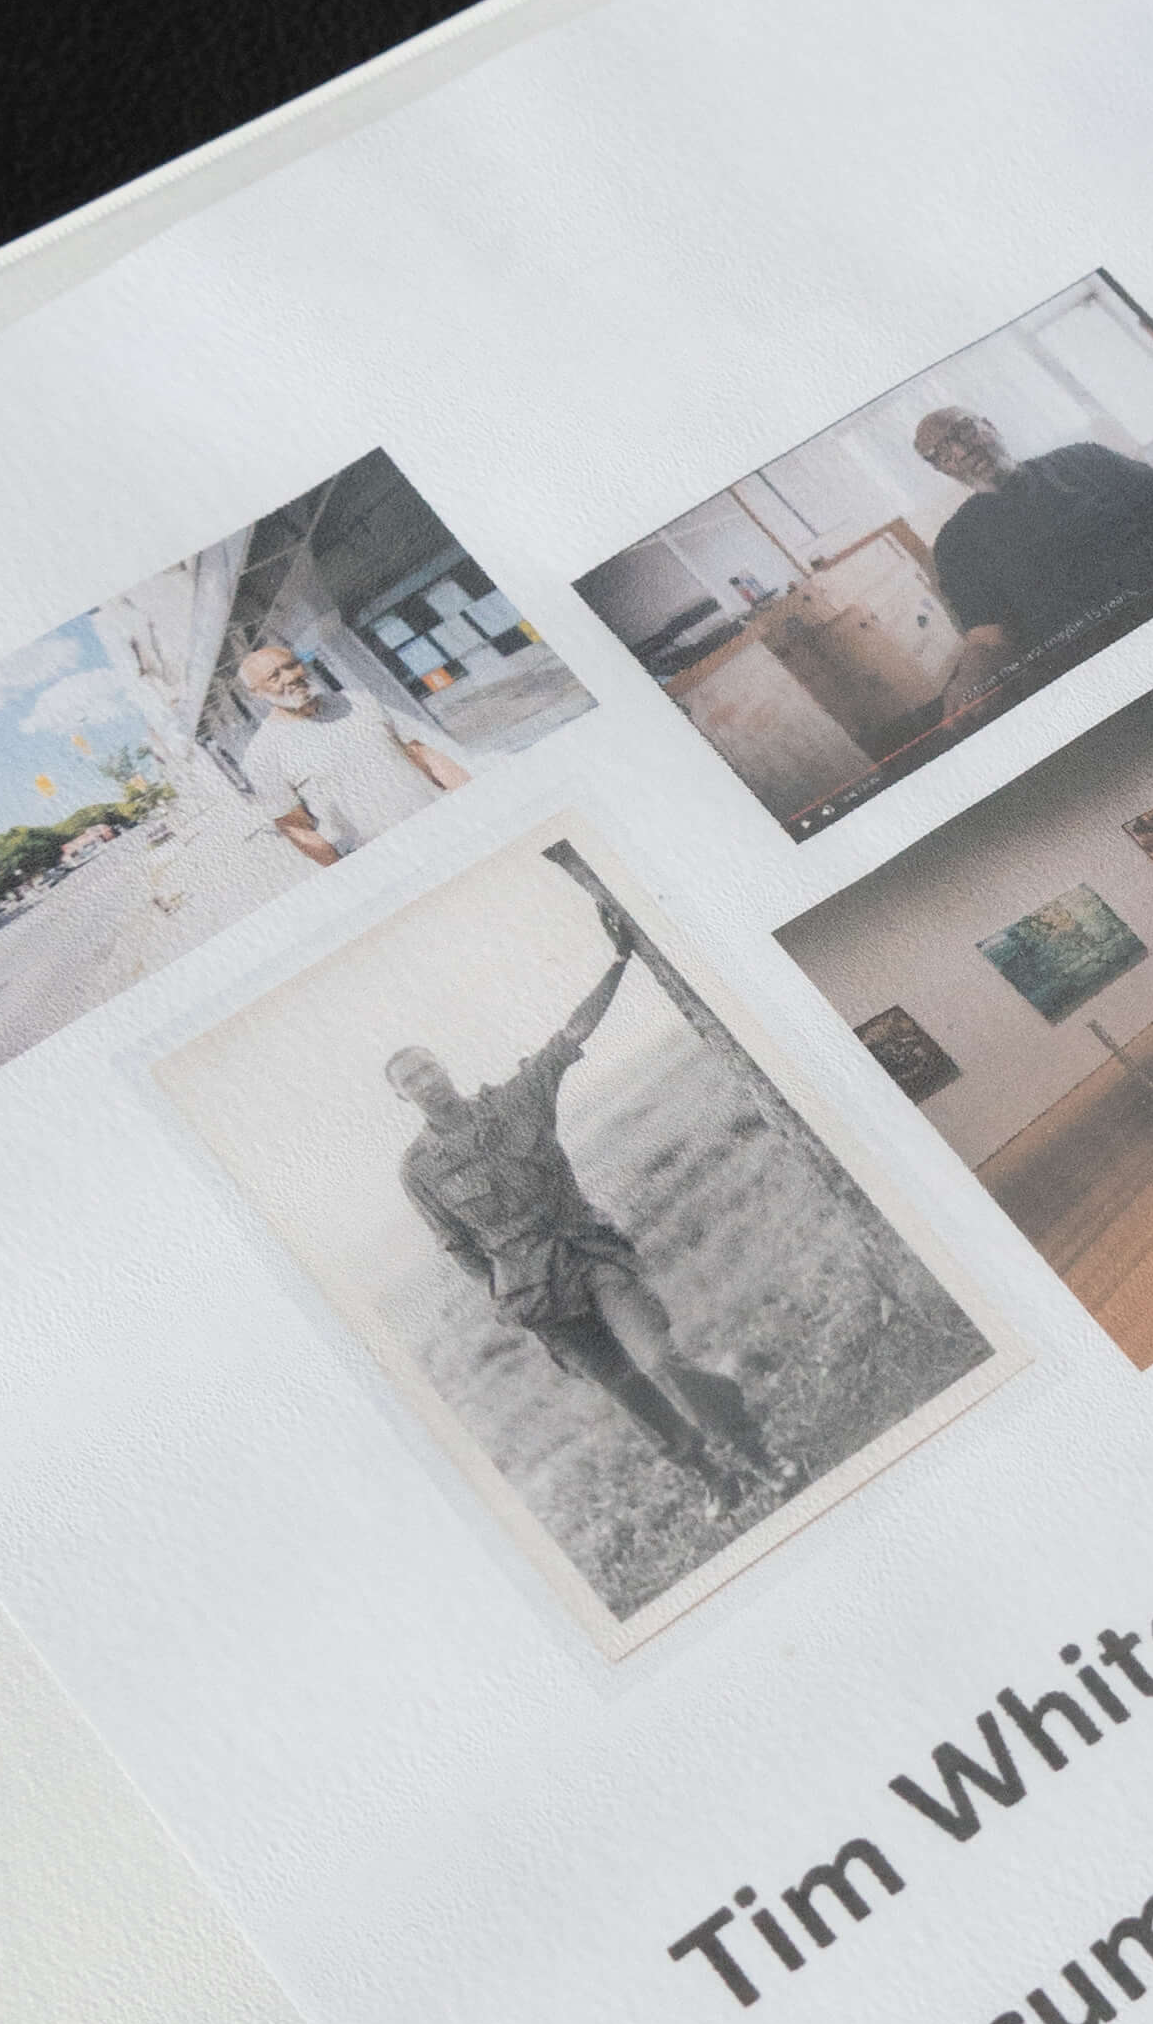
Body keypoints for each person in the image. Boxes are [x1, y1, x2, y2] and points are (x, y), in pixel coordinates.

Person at [384, 901, 773, 1510]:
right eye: (410, 1080)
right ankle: (709, 1475)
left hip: (588, 1252)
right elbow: (458, 1246)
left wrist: (618, 961)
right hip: (537, 1294)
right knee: (627, 1389)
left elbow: (571, 1034)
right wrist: (508, 1291)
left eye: (428, 1067)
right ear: (402, 1097)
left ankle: (752, 1449)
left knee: (658, 1359)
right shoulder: (419, 1170)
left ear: (444, 1066)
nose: (425, 1081)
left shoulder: (516, 1101)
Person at [911, 402, 1153, 719]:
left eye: (963, 431)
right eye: (941, 453)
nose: (960, 451)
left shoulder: (1085, 458)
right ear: (941, 468)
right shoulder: (956, 544)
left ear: (990, 425)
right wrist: (967, 685)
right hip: (1113, 674)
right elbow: (987, 640)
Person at [232, 631, 468, 863]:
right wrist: (348, 870)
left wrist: (470, 796)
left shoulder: (358, 702)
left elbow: (420, 751)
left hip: (442, 821)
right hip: (381, 857)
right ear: (256, 692)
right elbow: (295, 826)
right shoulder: (263, 754)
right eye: (274, 677)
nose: (290, 677)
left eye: (292, 665)